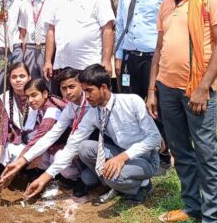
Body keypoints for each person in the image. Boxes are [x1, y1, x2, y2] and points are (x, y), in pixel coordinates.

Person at [148, 0, 217, 223]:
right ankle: (191, 205)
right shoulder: (167, 3)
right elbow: (158, 50)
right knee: (180, 150)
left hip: (196, 90)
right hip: (167, 89)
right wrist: (152, 91)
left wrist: (203, 87)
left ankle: (209, 216)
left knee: (205, 152)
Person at [26, 64, 161, 205]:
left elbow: (155, 138)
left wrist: (122, 158)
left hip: (146, 158)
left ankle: (143, 186)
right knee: (84, 147)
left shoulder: (132, 102)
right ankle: (119, 183)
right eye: (84, 91)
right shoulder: (93, 113)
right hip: (119, 153)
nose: (87, 96)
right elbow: (73, 145)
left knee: (111, 177)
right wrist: (45, 177)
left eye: (89, 91)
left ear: (103, 88)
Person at [114, 0, 172, 174]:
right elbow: (120, 25)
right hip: (130, 58)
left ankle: (164, 155)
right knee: (132, 105)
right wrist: (118, 56)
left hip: (153, 59)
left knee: (155, 106)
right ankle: (140, 152)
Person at [0, 68, 95, 197]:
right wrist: (21, 161)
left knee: (85, 174)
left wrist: (38, 174)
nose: (68, 92)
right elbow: (50, 135)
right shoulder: (70, 106)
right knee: (37, 150)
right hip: (70, 147)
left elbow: (48, 137)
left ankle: (78, 179)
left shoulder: (55, 109)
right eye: (64, 88)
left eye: (72, 87)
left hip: (88, 150)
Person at [43, 0, 115, 91]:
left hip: (89, 66)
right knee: (65, 107)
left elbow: (108, 29)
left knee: (90, 106)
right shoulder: (57, 0)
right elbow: (51, 31)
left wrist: (106, 61)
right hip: (62, 66)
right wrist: (48, 61)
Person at [18, 0, 54, 80]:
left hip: (47, 48)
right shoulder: (23, 4)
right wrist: (24, 54)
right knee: (30, 85)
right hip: (29, 48)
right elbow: (22, 32)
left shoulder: (54, 2)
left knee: (48, 85)